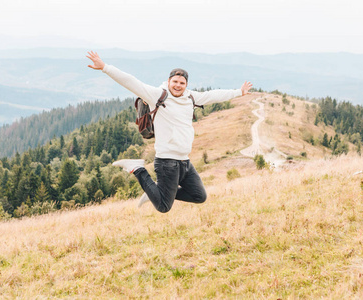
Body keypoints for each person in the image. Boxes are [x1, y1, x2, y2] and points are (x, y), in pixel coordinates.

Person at [86, 51, 252, 213]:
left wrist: (239, 92)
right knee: (164, 207)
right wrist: (105, 67)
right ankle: (137, 168)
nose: (178, 86)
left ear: (186, 85)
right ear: (168, 81)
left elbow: (213, 95)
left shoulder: (191, 98)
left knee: (199, 196)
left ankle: (154, 192)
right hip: (167, 161)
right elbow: (131, 81)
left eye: (182, 83)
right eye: (175, 82)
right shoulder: (157, 95)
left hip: (185, 161)